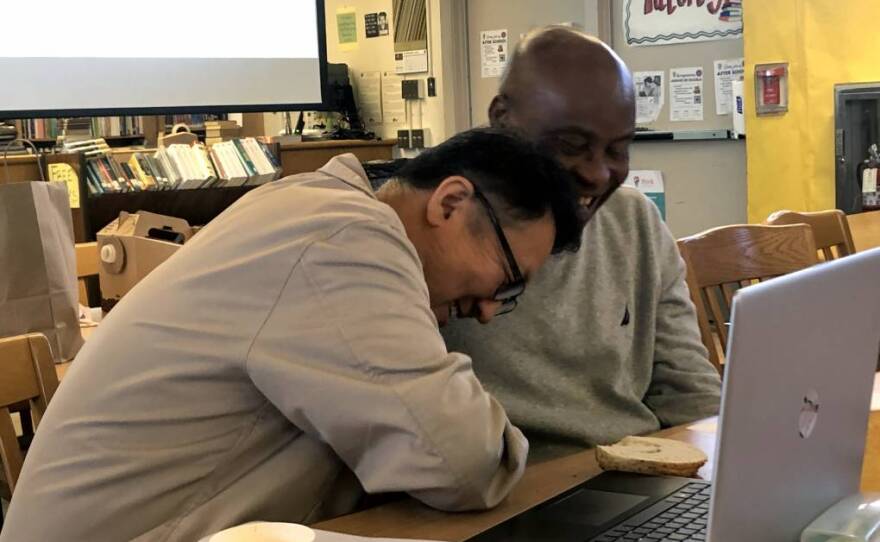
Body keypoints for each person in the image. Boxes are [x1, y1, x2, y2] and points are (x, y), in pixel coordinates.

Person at [1, 129, 584, 542]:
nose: (488, 312)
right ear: (451, 201)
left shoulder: (309, 205)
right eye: (506, 280)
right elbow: (463, 465)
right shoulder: (344, 242)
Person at [442, 27, 722, 461]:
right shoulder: (442, 228)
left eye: (618, 149)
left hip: (636, 474)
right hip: (505, 489)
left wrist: (726, 472)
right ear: (502, 118)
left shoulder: (635, 220)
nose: (597, 173)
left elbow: (690, 390)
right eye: (571, 145)